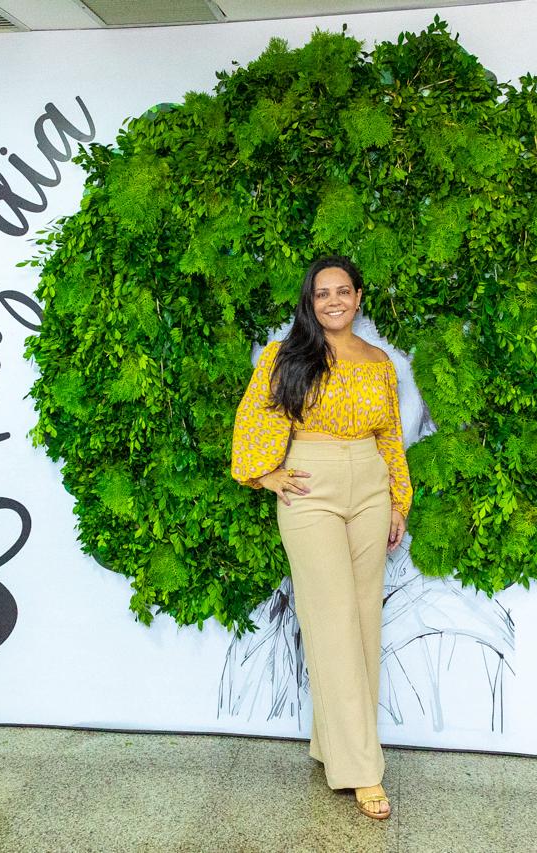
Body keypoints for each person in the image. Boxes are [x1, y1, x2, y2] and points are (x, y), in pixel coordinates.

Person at [231, 255, 412, 820]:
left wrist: (397, 502)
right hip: (311, 485)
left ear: (359, 297)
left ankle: (331, 744)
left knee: (361, 621)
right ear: (309, 303)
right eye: (321, 294)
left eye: (343, 291)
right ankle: (363, 770)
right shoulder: (286, 357)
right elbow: (256, 416)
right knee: (331, 621)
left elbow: (390, 436)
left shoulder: (379, 362)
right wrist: (264, 472)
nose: (333, 301)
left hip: (370, 488)